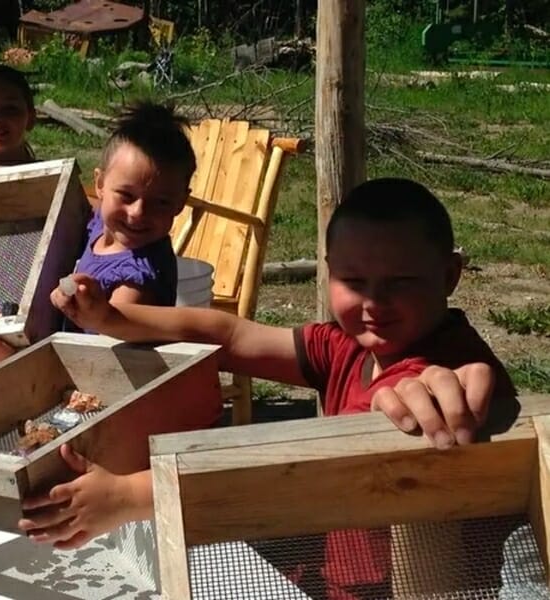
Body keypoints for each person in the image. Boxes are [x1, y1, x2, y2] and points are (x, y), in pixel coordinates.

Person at [26, 178, 515, 592]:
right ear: (327, 272)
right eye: (353, 280)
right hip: (331, 574)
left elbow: (292, 477)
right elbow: (229, 332)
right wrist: (110, 317)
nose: (373, 302)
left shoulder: (444, 380)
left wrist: (130, 497)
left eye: (400, 281)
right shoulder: (349, 347)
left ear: (449, 274)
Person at [0, 101, 197, 362]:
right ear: (100, 184)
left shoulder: (135, 283)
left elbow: (96, 363)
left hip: (93, 388)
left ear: (181, 202)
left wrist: (13, 360)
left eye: (160, 202)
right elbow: (78, 209)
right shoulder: (100, 225)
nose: (138, 212)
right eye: (126, 195)